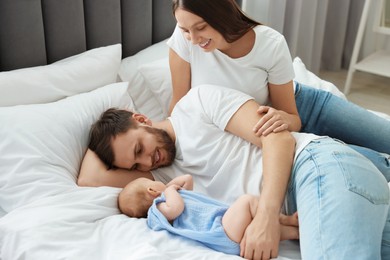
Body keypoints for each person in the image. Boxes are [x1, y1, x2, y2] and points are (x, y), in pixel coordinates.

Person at [79, 85, 390, 260]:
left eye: (138, 150)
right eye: (135, 166)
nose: (146, 163)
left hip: (312, 167)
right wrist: (104, 141)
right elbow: (88, 179)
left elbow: (277, 137)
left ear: (142, 118)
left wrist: (266, 216)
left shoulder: (197, 105)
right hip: (310, 208)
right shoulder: (161, 182)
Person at [167, 0, 390, 156]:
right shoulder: (183, 39)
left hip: (305, 107)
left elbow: (293, 117)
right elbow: (180, 105)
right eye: (185, 29)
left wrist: (285, 119)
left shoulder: (270, 43)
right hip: (273, 134)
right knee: (374, 166)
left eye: (201, 28)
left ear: (220, 14)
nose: (193, 39)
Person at [118, 174, 299, 256]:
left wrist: (171, 187)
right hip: (221, 231)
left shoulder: (171, 196)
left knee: (254, 225)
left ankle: (295, 233)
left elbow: (188, 180)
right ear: (151, 190)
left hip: (229, 231)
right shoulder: (158, 209)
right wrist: (170, 189)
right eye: (153, 182)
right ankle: (286, 219)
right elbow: (176, 209)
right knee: (247, 201)